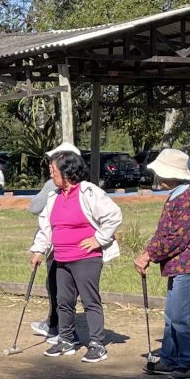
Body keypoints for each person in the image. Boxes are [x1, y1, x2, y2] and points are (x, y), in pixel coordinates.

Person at [29, 149, 123, 363]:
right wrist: (38, 250)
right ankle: (66, 339)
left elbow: (114, 215)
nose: (50, 174)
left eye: (53, 170)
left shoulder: (89, 192)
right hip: (61, 258)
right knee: (63, 300)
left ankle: (97, 344)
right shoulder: (54, 196)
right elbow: (46, 227)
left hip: (85, 258)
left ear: (67, 172)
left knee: (90, 301)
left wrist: (99, 240)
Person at [134, 149, 190, 379]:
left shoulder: (187, 198)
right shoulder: (177, 195)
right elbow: (164, 233)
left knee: (181, 317)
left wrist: (149, 255)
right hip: (180, 266)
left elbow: (175, 238)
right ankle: (169, 359)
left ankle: (189, 363)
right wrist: (148, 251)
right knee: (171, 315)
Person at [29, 143, 81, 340]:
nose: (50, 167)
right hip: (79, 248)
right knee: (69, 289)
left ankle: (59, 328)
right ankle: (55, 325)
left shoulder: (54, 184)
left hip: (58, 244)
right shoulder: (87, 182)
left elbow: (34, 207)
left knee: (57, 286)